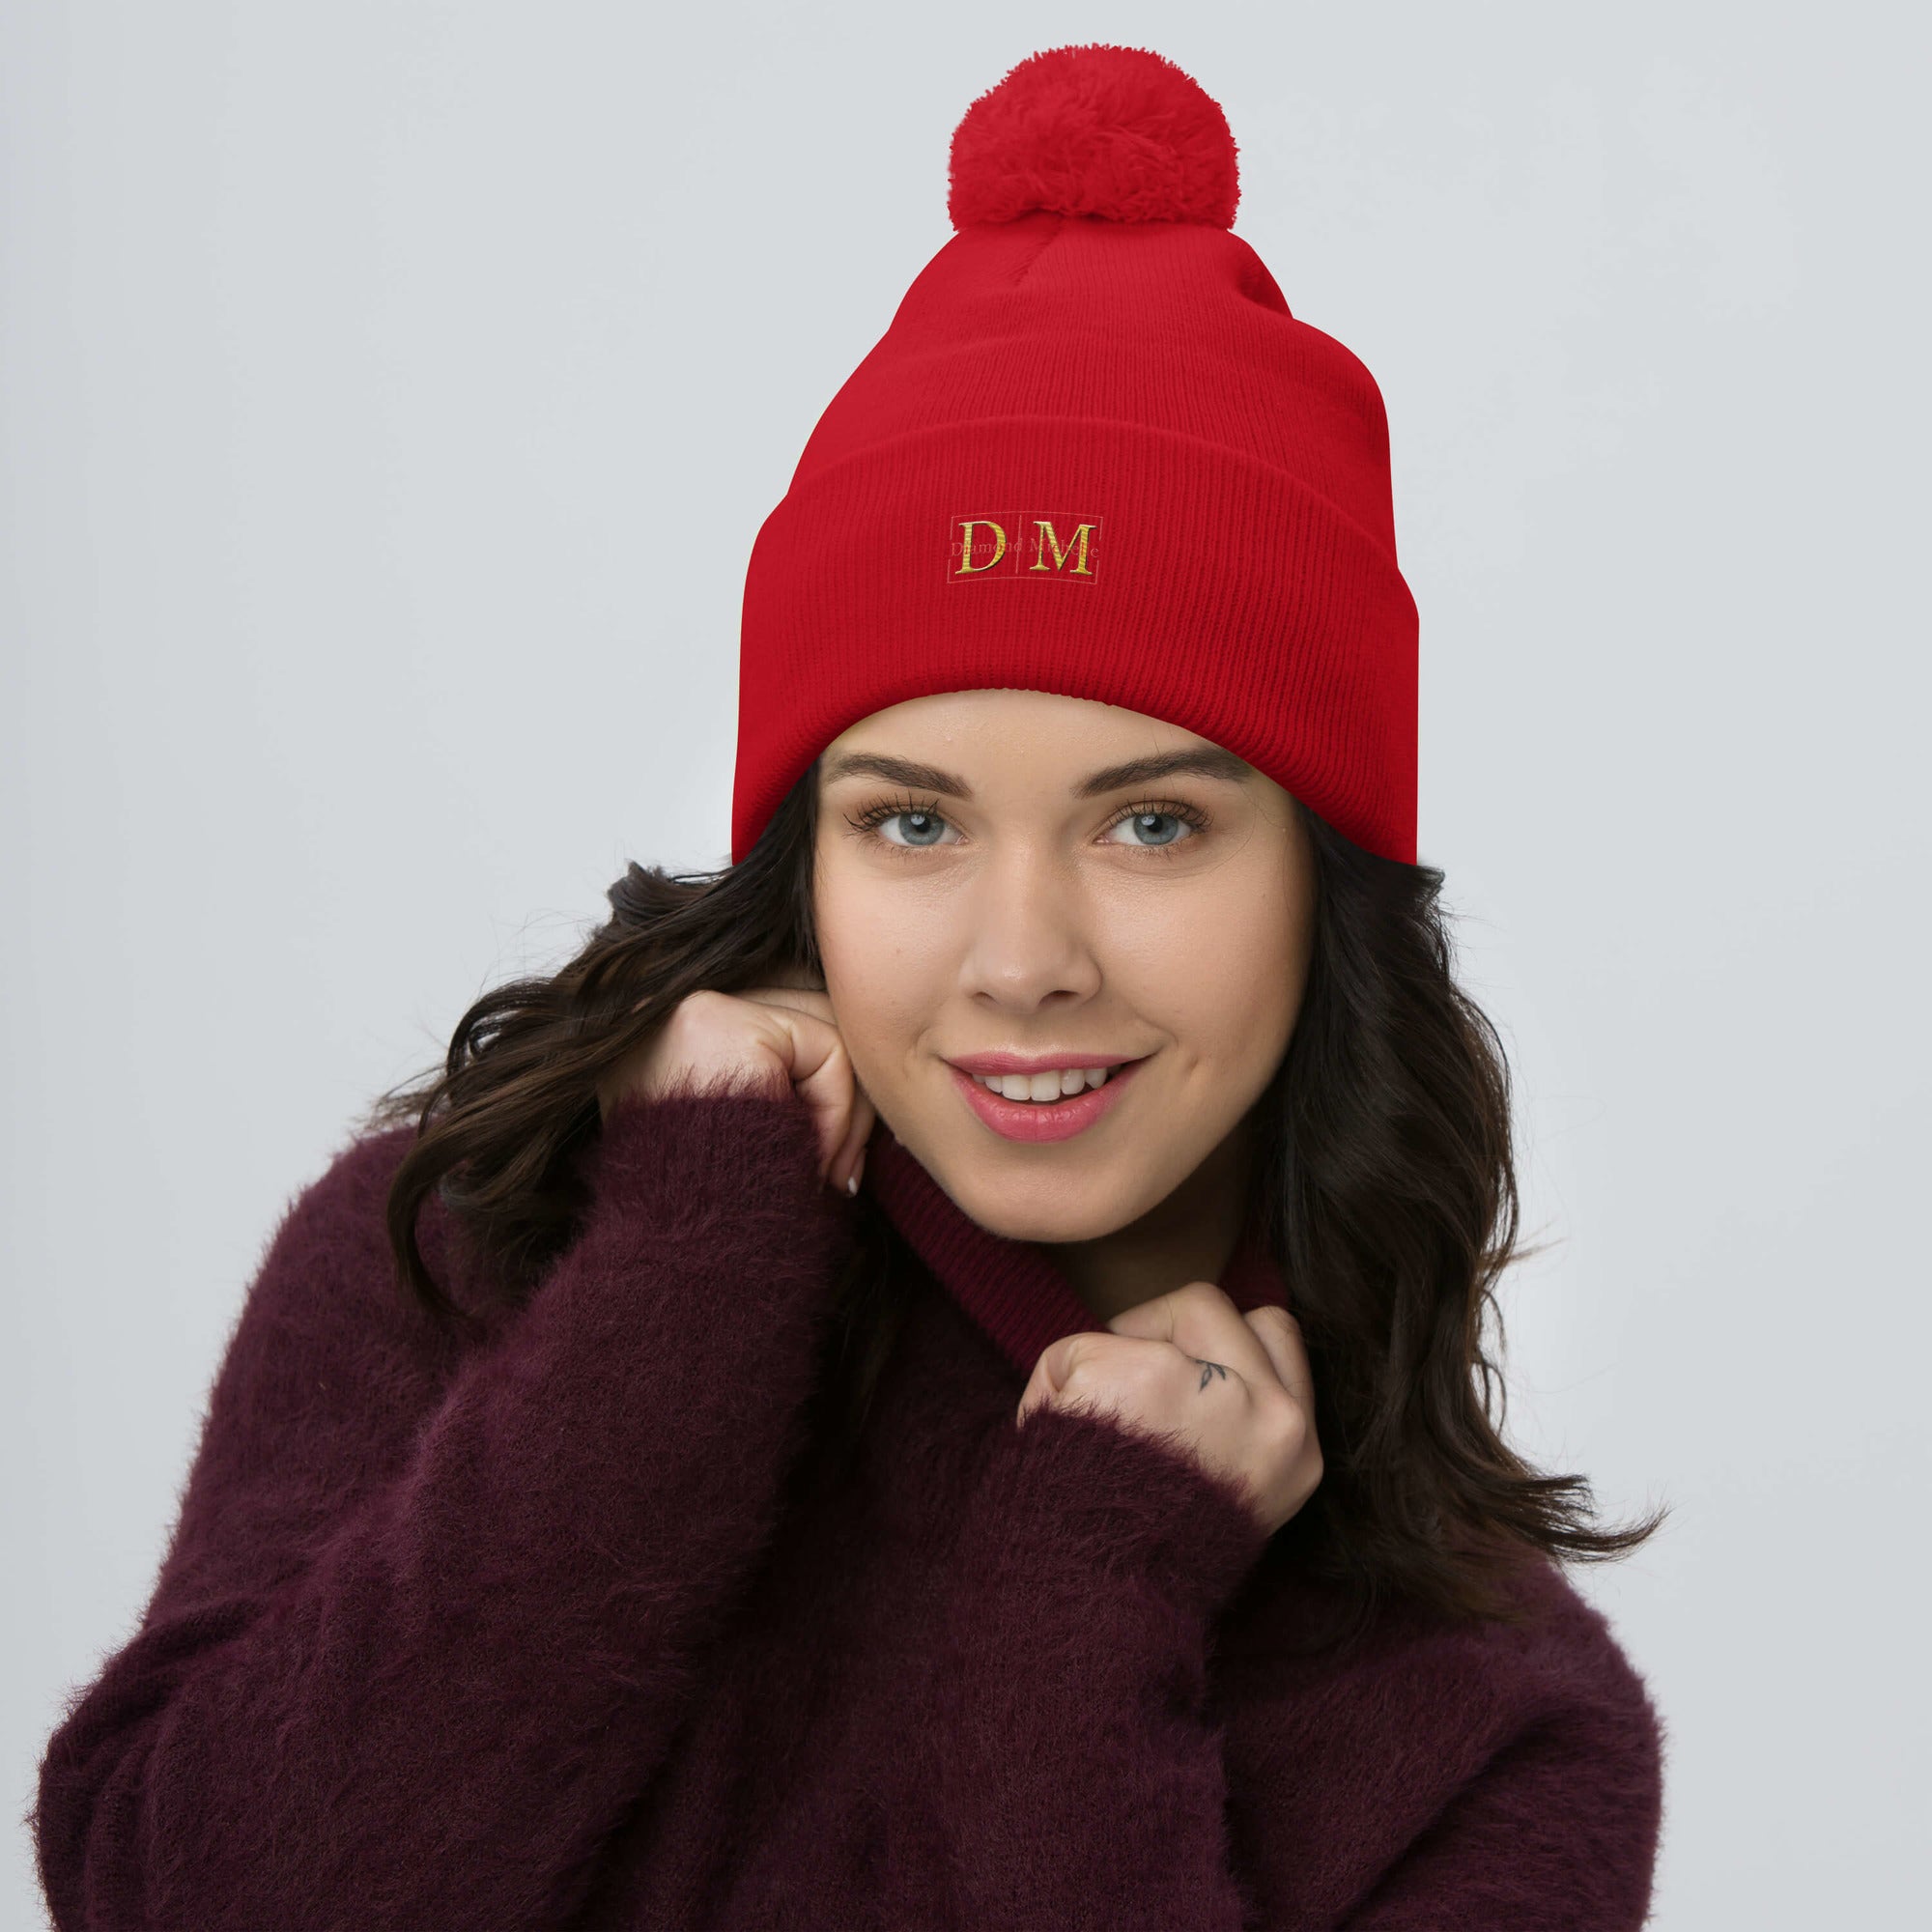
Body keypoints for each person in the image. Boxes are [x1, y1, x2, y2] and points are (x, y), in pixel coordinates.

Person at [33, 42, 1668, 1931]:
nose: (1020, 958)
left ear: (1325, 881)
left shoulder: (1493, 1723)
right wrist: (671, 1318)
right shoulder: (483, 1259)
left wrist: (1082, 1601)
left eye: (1150, 827)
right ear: (801, 858)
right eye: (912, 825)